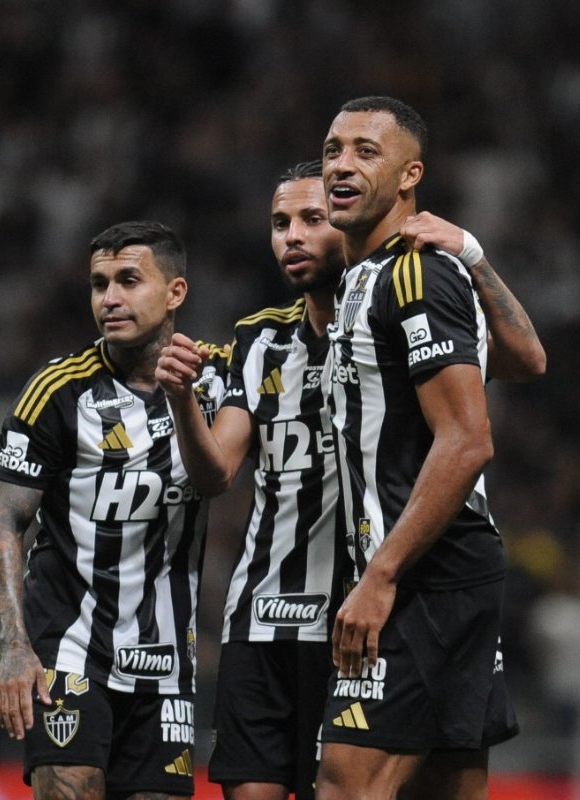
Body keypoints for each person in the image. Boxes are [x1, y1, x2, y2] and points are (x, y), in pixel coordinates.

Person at [154, 158, 544, 800]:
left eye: (312, 218)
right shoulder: (258, 342)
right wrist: (181, 401)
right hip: (267, 614)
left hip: (369, 611)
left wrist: (473, 256)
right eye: (280, 223)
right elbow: (217, 471)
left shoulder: (401, 317)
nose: (294, 236)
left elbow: (525, 360)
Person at [311, 95, 543, 799]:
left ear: (411, 175)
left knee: (345, 783)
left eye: (365, 151)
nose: (341, 165)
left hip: (426, 576)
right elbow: (526, 360)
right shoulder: (368, 278)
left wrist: (380, 576)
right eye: (332, 150)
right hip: (433, 572)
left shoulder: (415, 273)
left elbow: (469, 441)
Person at [0, 220, 228, 800]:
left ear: (176, 293)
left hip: (166, 660)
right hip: (68, 649)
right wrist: (15, 647)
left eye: (128, 280)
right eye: (99, 284)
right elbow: (5, 526)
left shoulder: (216, 378)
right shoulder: (57, 391)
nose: (109, 299)